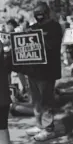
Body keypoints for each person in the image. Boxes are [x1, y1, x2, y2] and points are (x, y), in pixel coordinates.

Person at [23, 2, 63, 141]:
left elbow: (52, 46)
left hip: (47, 71)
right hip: (33, 70)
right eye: (36, 13)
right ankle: (40, 126)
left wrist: (36, 37)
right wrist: (25, 33)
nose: (38, 15)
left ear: (47, 12)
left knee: (46, 101)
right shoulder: (32, 27)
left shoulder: (55, 27)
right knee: (36, 101)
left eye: (40, 12)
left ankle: (49, 129)